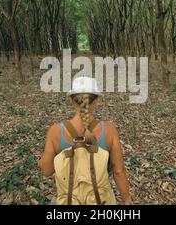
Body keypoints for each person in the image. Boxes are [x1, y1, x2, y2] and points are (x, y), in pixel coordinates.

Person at [39, 76, 131, 205]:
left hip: (69, 200)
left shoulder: (55, 132)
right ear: (97, 100)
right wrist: (126, 200)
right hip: (100, 200)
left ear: (71, 99)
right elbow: (119, 171)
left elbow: (46, 171)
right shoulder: (109, 130)